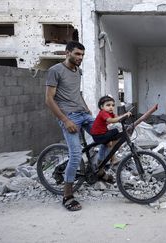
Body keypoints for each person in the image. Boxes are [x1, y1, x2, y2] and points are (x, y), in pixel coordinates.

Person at [45, 41, 106, 211]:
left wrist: (86, 108)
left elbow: (76, 93)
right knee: (76, 155)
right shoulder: (55, 71)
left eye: (82, 55)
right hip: (69, 117)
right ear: (67, 53)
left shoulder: (78, 71)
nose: (80, 58)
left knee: (107, 137)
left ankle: (99, 171)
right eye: (77, 54)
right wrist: (65, 120)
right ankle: (67, 195)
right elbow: (49, 99)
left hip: (83, 113)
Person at [90, 95, 132, 165]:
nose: (111, 107)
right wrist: (124, 115)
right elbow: (112, 120)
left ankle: (112, 157)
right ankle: (112, 151)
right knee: (115, 131)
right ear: (102, 107)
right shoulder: (103, 113)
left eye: (113, 105)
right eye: (108, 105)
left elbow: (117, 118)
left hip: (102, 133)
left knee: (115, 133)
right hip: (98, 136)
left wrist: (125, 115)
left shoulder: (110, 113)